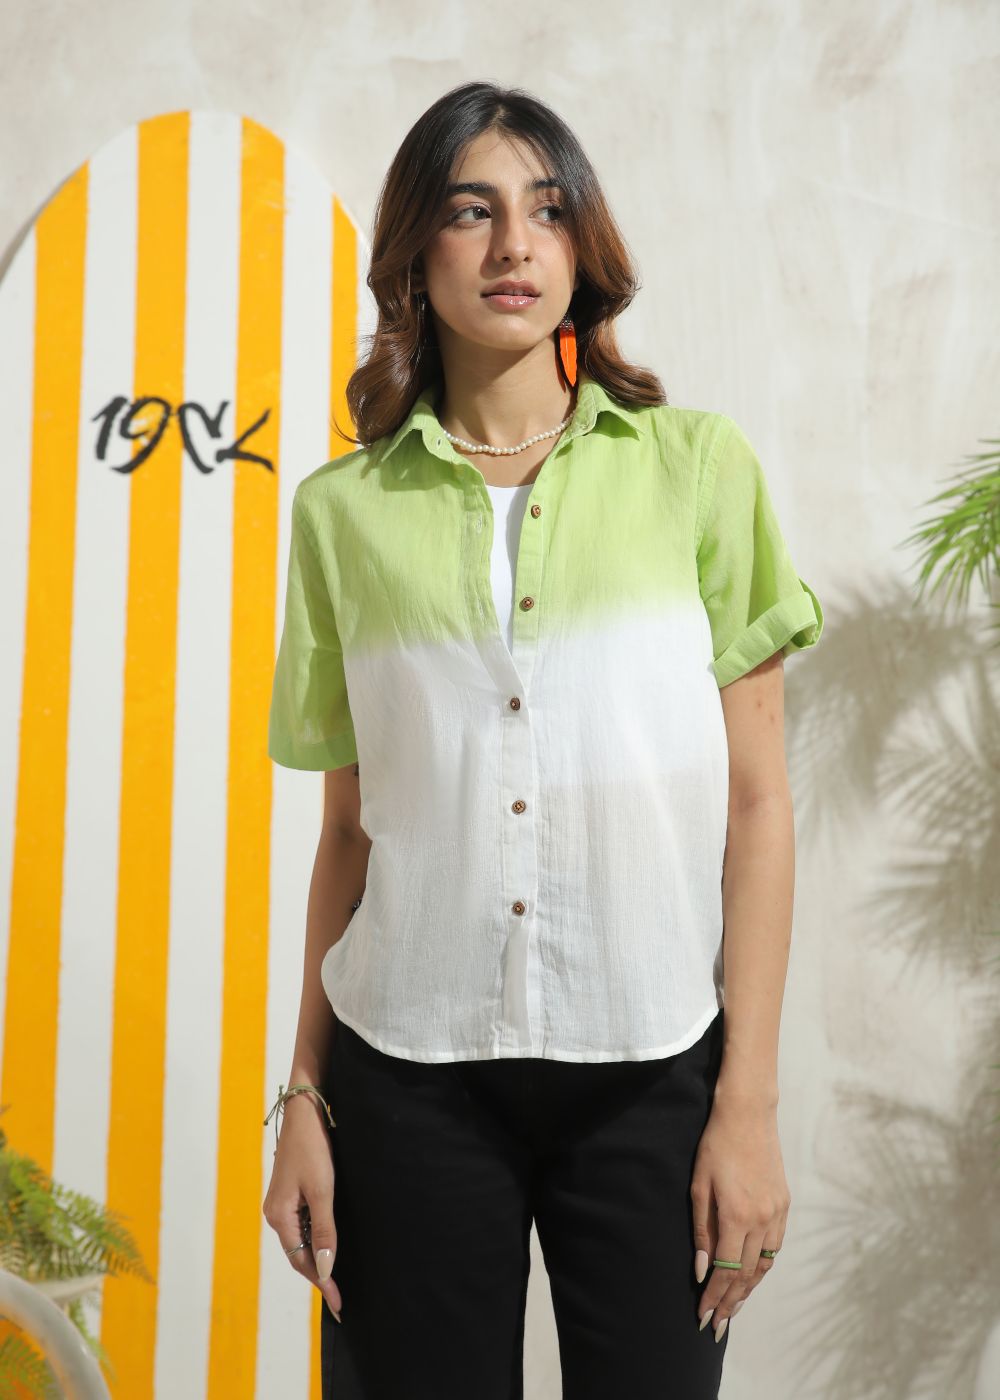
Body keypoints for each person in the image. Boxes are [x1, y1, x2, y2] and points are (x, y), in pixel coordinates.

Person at [261, 80, 824, 1400]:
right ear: (416, 253)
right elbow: (348, 835)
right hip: (405, 1077)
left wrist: (746, 1106)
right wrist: (304, 1098)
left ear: (584, 247)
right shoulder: (342, 513)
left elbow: (758, 808)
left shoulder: (698, 470)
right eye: (472, 210)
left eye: (547, 208)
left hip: (653, 1076)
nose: (514, 244)